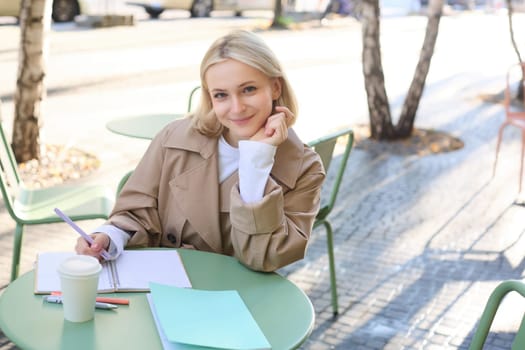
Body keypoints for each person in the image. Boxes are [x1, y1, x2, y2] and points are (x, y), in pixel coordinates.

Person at [76, 29, 326, 272]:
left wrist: (255, 162)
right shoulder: (173, 138)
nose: (236, 108)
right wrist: (108, 237)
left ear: (275, 88)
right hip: (163, 285)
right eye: (221, 95)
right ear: (210, 97)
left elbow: (265, 258)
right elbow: (136, 214)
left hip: (239, 298)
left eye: (248, 89)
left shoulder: (305, 169)